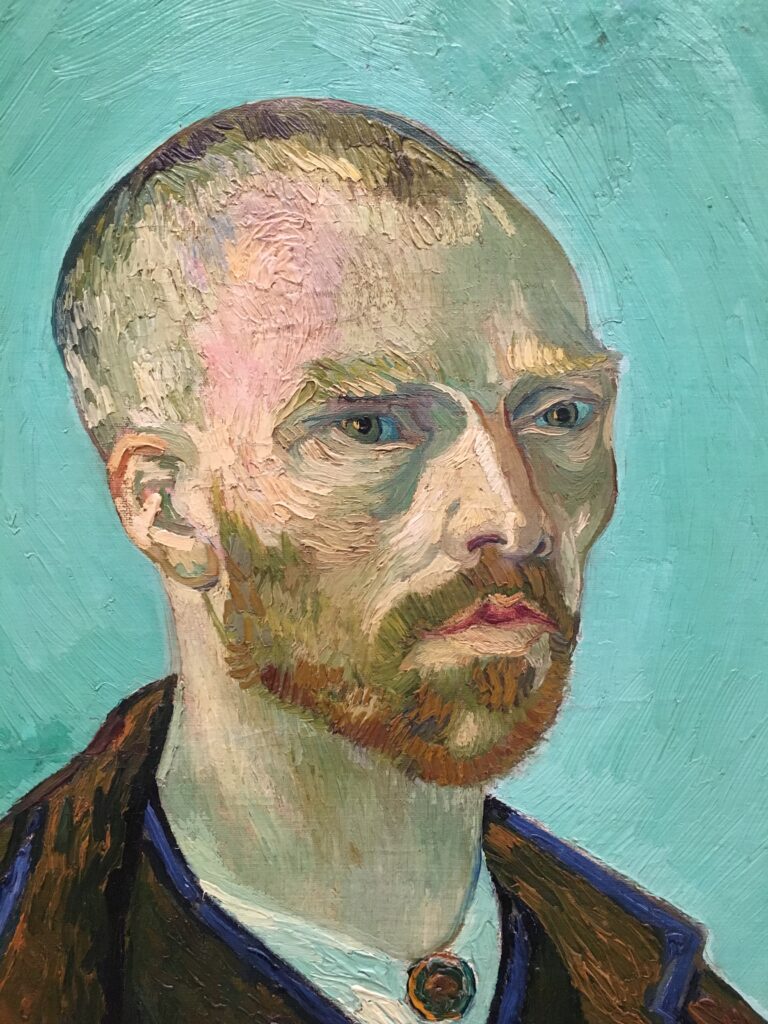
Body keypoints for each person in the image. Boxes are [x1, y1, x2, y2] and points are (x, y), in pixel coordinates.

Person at [0, 98, 760, 1024]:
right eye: (369, 427)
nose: (516, 517)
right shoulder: (32, 965)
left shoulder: (671, 1001)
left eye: (557, 414)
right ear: (166, 508)